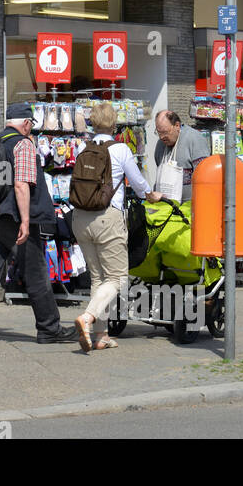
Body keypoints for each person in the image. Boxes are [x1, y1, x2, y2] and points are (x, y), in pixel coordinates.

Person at [0, 102, 80, 354]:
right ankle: (49, 328)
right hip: (13, 220)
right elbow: (21, 185)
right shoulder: (22, 144)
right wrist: (26, 222)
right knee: (36, 273)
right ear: (27, 123)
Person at [73, 102, 163, 352]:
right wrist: (151, 194)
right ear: (114, 124)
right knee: (117, 277)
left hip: (80, 219)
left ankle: (101, 335)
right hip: (107, 218)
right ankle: (88, 318)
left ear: (92, 123)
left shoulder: (83, 147)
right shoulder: (121, 149)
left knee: (98, 278)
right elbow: (138, 184)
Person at [153, 109, 211, 201]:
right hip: (165, 206)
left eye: (165, 132)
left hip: (189, 206)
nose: (161, 137)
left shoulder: (194, 139)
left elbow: (204, 176)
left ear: (177, 126)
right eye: (159, 133)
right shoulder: (160, 144)